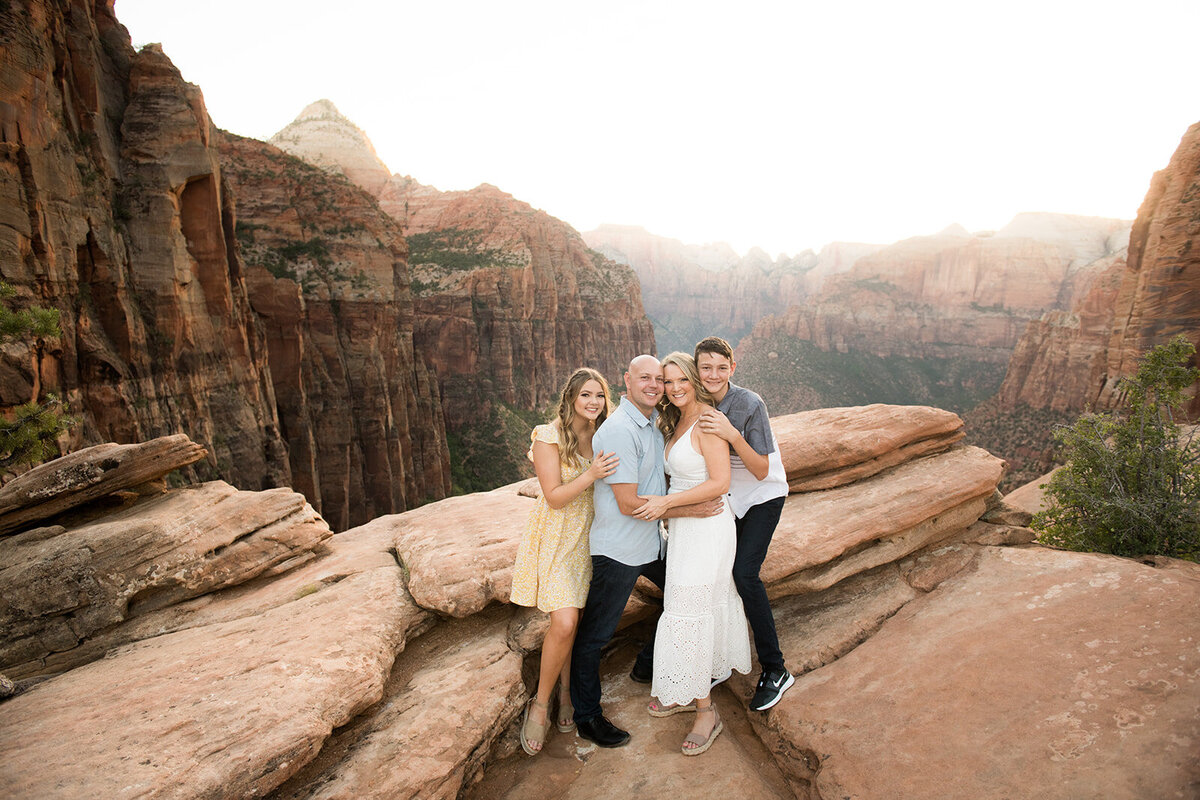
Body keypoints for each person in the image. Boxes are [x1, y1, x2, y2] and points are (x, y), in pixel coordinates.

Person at [569, 354, 723, 749]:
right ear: (627, 380)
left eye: (661, 379)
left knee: (681, 596)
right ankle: (587, 717)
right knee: (595, 636)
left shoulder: (652, 424)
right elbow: (628, 504)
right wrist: (693, 508)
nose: (655, 386)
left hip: (652, 544)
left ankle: (646, 666)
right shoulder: (621, 430)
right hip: (619, 550)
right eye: (646, 378)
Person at [632, 352, 751, 755]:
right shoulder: (678, 419)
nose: (675, 387)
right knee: (683, 606)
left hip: (708, 530)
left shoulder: (708, 422)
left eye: (681, 378)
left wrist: (666, 505)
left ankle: (706, 711)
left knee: (690, 609)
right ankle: (684, 687)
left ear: (694, 380)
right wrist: (676, 509)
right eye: (668, 382)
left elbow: (719, 482)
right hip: (686, 526)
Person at [510, 368, 619, 755]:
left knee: (574, 621)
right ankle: (541, 703)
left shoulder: (605, 434)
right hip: (558, 538)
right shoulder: (548, 435)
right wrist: (591, 473)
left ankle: (568, 692)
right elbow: (554, 496)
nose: (593, 403)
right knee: (566, 620)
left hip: (592, 538)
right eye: (586, 395)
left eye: (600, 396)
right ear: (571, 397)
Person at [694, 336, 794, 711]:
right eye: (706, 367)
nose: (714, 374)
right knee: (715, 575)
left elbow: (761, 468)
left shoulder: (750, 404)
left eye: (722, 367)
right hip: (726, 500)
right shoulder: (695, 401)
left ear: (732, 368)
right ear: (697, 369)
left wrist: (731, 433)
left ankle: (776, 668)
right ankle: (721, 660)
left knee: (744, 574)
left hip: (762, 496)